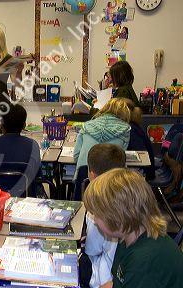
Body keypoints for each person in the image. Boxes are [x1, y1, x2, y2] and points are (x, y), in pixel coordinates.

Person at [84, 168, 183, 288]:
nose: (94, 220)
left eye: (97, 214)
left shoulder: (143, 263)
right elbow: (115, 283)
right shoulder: (128, 237)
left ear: (117, 217)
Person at [82, 144, 126, 288]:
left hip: (102, 277)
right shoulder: (130, 197)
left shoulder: (98, 208)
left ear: (92, 174)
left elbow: (91, 250)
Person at [0, 104, 41, 197]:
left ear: (1, 124)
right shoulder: (33, 146)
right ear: (24, 125)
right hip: (26, 198)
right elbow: (38, 175)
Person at [74, 98, 131, 182]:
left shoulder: (87, 126)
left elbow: (76, 156)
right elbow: (121, 159)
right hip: (112, 182)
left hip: (85, 179)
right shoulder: (125, 130)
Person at [124, 98, 155, 179]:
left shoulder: (130, 129)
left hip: (144, 171)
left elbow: (142, 156)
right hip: (146, 168)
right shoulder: (134, 126)